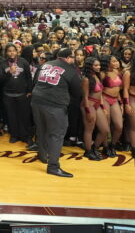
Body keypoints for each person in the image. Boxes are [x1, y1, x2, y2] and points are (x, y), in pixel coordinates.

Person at [31, 48, 82, 178]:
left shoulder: (45, 65)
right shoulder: (70, 70)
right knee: (56, 135)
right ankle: (53, 166)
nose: (74, 60)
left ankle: (42, 156)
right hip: (55, 105)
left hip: (36, 101)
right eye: (73, 57)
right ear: (68, 58)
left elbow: (35, 82)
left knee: (41, 130)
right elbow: (78, 92)